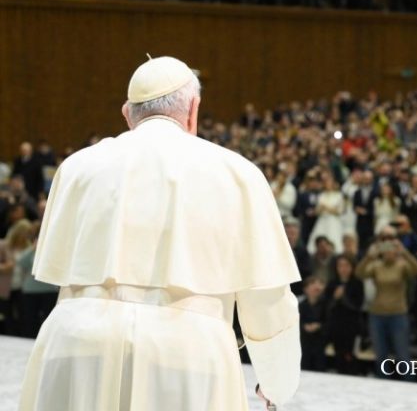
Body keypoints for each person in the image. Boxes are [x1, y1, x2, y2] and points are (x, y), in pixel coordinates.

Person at [19, 57, 301, 410]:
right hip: (186, 353)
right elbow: (267, 298)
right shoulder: (237, 173)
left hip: (75, 344)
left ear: (127, 114)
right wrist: (277, 382)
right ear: (193, 110)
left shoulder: (76, 167)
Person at [355, 228, 417, 379]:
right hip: (377, 315)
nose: (388, 251)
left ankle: (408, 383)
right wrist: (368, 257)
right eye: (385, 248)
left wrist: (405, 253)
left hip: (398, 314)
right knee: (381, 356)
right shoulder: (376, 265)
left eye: (391, 247)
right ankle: (383, 384)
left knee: (402, 354)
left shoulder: (402, 265)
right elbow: (359, 273)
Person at [323, 254, 364, 375]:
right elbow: (327, 305)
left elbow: (357, 306)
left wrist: (343, 297)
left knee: (350, 355)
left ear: (352, 267)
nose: (343, 269)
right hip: (336, 324)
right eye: (340, 266)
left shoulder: (357, 283)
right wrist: (335, 298)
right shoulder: (332, 283)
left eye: (346, 265)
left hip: (352, 325)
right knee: (338, 354)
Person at [308, 172, 345, 254]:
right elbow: (317, 210)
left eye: (329, 182)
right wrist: (319, 209)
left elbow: (339, 211)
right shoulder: (322, 195)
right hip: (322, 220)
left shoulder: (338, 195)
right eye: (325, 182)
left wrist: (326, 208)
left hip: (333, 221)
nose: (327, 184)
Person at [299, 276, 327, 372]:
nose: (316, 286)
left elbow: (329, 322)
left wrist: (319, 326)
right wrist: (304, 327)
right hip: (304, 342)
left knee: (319, 365)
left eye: (318, 284)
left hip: (320, 341)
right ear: (305, 289)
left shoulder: (325, 304)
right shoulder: (301, 305)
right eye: (312, 284)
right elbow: (296, 322)